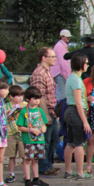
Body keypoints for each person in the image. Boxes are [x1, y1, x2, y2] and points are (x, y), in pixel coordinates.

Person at [29, 47, 59, 176]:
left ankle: (49, 164)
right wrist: (45, 115)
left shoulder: (47, 72)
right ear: (43, 58)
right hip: (45, 113)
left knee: (54, 140)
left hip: (52, 111)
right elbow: (38, 96)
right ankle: (44, 166)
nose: (54, 59)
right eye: (52, 56)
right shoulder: (38, 74)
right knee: (45, 142)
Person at [63, 54, 94, 180]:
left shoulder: (72, 77)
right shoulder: (76, 79)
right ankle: (80, 172)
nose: (87, 65)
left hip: (70, 111)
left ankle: (68, 170)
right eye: (86, 63)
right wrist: (85, 121)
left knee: (70, 142)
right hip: (75, 111)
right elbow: (77, 103)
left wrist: (85, 99)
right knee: (79, 143)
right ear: (80, 64)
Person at [16, 87, 49, 186]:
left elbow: (44, 123)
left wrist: (44, 127)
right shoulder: (23, 112)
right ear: (27, 99)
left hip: (39, 139)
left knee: (36, 160)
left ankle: (36, 178)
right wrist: (31, 130)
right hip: (29, 140)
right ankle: (27, 180)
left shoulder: (40, 110)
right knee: (27, 160)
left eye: (38, 99)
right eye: (34, 99)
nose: (37, 101)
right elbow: (20, 126)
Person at [3, 85, 26, 184]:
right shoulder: (6, 106)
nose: (20, 98)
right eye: (17, 96)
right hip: (10, 133)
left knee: (24, 156)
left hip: (21, 133)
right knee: (11, 156)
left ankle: (26, 174)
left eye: (21, 95)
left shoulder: (25, 104)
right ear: (11, 96)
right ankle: (11, 173)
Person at [52, 29, 72, 101]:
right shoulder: (60, 46)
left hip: (62, 73)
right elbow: (62, 62)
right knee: (61, 94)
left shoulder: (63, 46)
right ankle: (59, 110)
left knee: (62, 93)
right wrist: (66, 75)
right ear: (62, 37)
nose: (68, 38)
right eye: (67, 37)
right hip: (60, 73)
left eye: (69, 37)